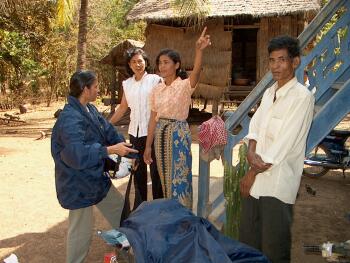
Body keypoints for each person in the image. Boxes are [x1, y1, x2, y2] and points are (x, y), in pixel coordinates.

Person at [239, 35, 315, 262]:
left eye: (282, 60)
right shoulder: (270, 92)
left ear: (295, 62)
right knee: (249, 240)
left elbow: (283, 145)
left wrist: (251, 173)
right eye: (272, 60)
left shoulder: (302, 98)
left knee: (274, 247)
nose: (275, 66)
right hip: (256, 179)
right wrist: (251, 151)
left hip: (277, 183)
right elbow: (255, 126)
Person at [51, 70, 138, 263]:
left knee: (122, 214)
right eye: (96, 86)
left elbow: (108, 131)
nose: (98, 90)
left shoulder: (90, 110)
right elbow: (76, 155)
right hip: (77, 183)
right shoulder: (70, 119)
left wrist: (128, 152)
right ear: (85, 89)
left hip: (96, 179)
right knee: (81, 233)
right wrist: (109, 150)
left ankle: (129, 256)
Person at [144, 27, 211, 210]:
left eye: (166, 62)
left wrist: (199, 50)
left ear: (177, 65)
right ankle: (168, 214)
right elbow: (152, 119)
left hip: (178, 134)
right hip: (160, 135)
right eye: (160, 63)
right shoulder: (156, 90)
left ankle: (183, 215)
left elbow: (196, 72)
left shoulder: (183, 86)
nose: (162, 66)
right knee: (164, 178)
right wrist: (148, 146)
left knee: (180, 176)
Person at [109, 48, 163, 208]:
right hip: (134, 133)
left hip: (152, 132)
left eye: (140, 61)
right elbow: (122, 108)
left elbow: (158, 107)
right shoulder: (127, 84)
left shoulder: (155, 80)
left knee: (155, 172)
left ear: (145, 62)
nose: (137, 64)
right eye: (133, 62)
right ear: (129, 65)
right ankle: (141, 208)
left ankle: (159, 208)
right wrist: (107, 124)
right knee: (138, 172)